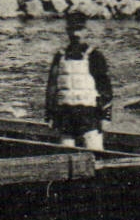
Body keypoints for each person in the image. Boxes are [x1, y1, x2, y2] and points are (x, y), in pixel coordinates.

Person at [44, 15, 113, 151]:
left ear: (86, 31)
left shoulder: (95, 56)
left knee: (95, 152)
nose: (76, 34)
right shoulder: (60, 56)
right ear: (67, 31)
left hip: (89, 114)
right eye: (72, 30)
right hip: (65, 114)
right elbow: (52, 86)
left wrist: (106, 116)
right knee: (65, 154)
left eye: (79, 29)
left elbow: (105, 88)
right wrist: (49, 114)